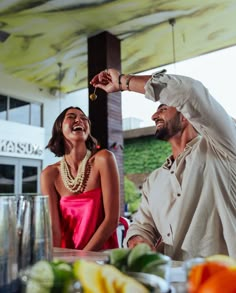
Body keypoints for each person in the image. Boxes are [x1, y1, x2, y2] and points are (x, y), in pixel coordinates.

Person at [90, 68, 236, 260]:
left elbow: (191, 92)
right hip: (174, 284)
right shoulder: (155, 180)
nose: (154, 116)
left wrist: (124, 82)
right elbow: (142, 225)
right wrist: (138, 239)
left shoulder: (222, 147)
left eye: (163, 108)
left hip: (223, 282)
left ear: (185, 115)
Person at [40, 106, 120, 251]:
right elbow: (54, 230)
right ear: (59, 127)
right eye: (71, 117)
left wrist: (82, 257)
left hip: (102, 258)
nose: (79, 120)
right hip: (68, 257)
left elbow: (112, 221)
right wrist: (55, 263)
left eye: (84, 118)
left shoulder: (103, 159)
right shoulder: (49, 174)